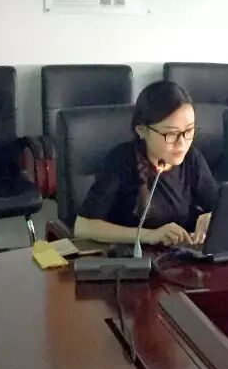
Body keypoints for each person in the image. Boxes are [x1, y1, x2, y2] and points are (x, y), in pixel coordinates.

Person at [74, 80, 218, 245]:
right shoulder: (121, 160)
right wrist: (148, 235)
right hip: (133, 256)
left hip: (182, 254)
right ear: (142, 130)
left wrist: (211, 217)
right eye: (171, 134)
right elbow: (83, 226)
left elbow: (221, 208)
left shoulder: (192, 158)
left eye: (189, 130)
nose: (182, 143)